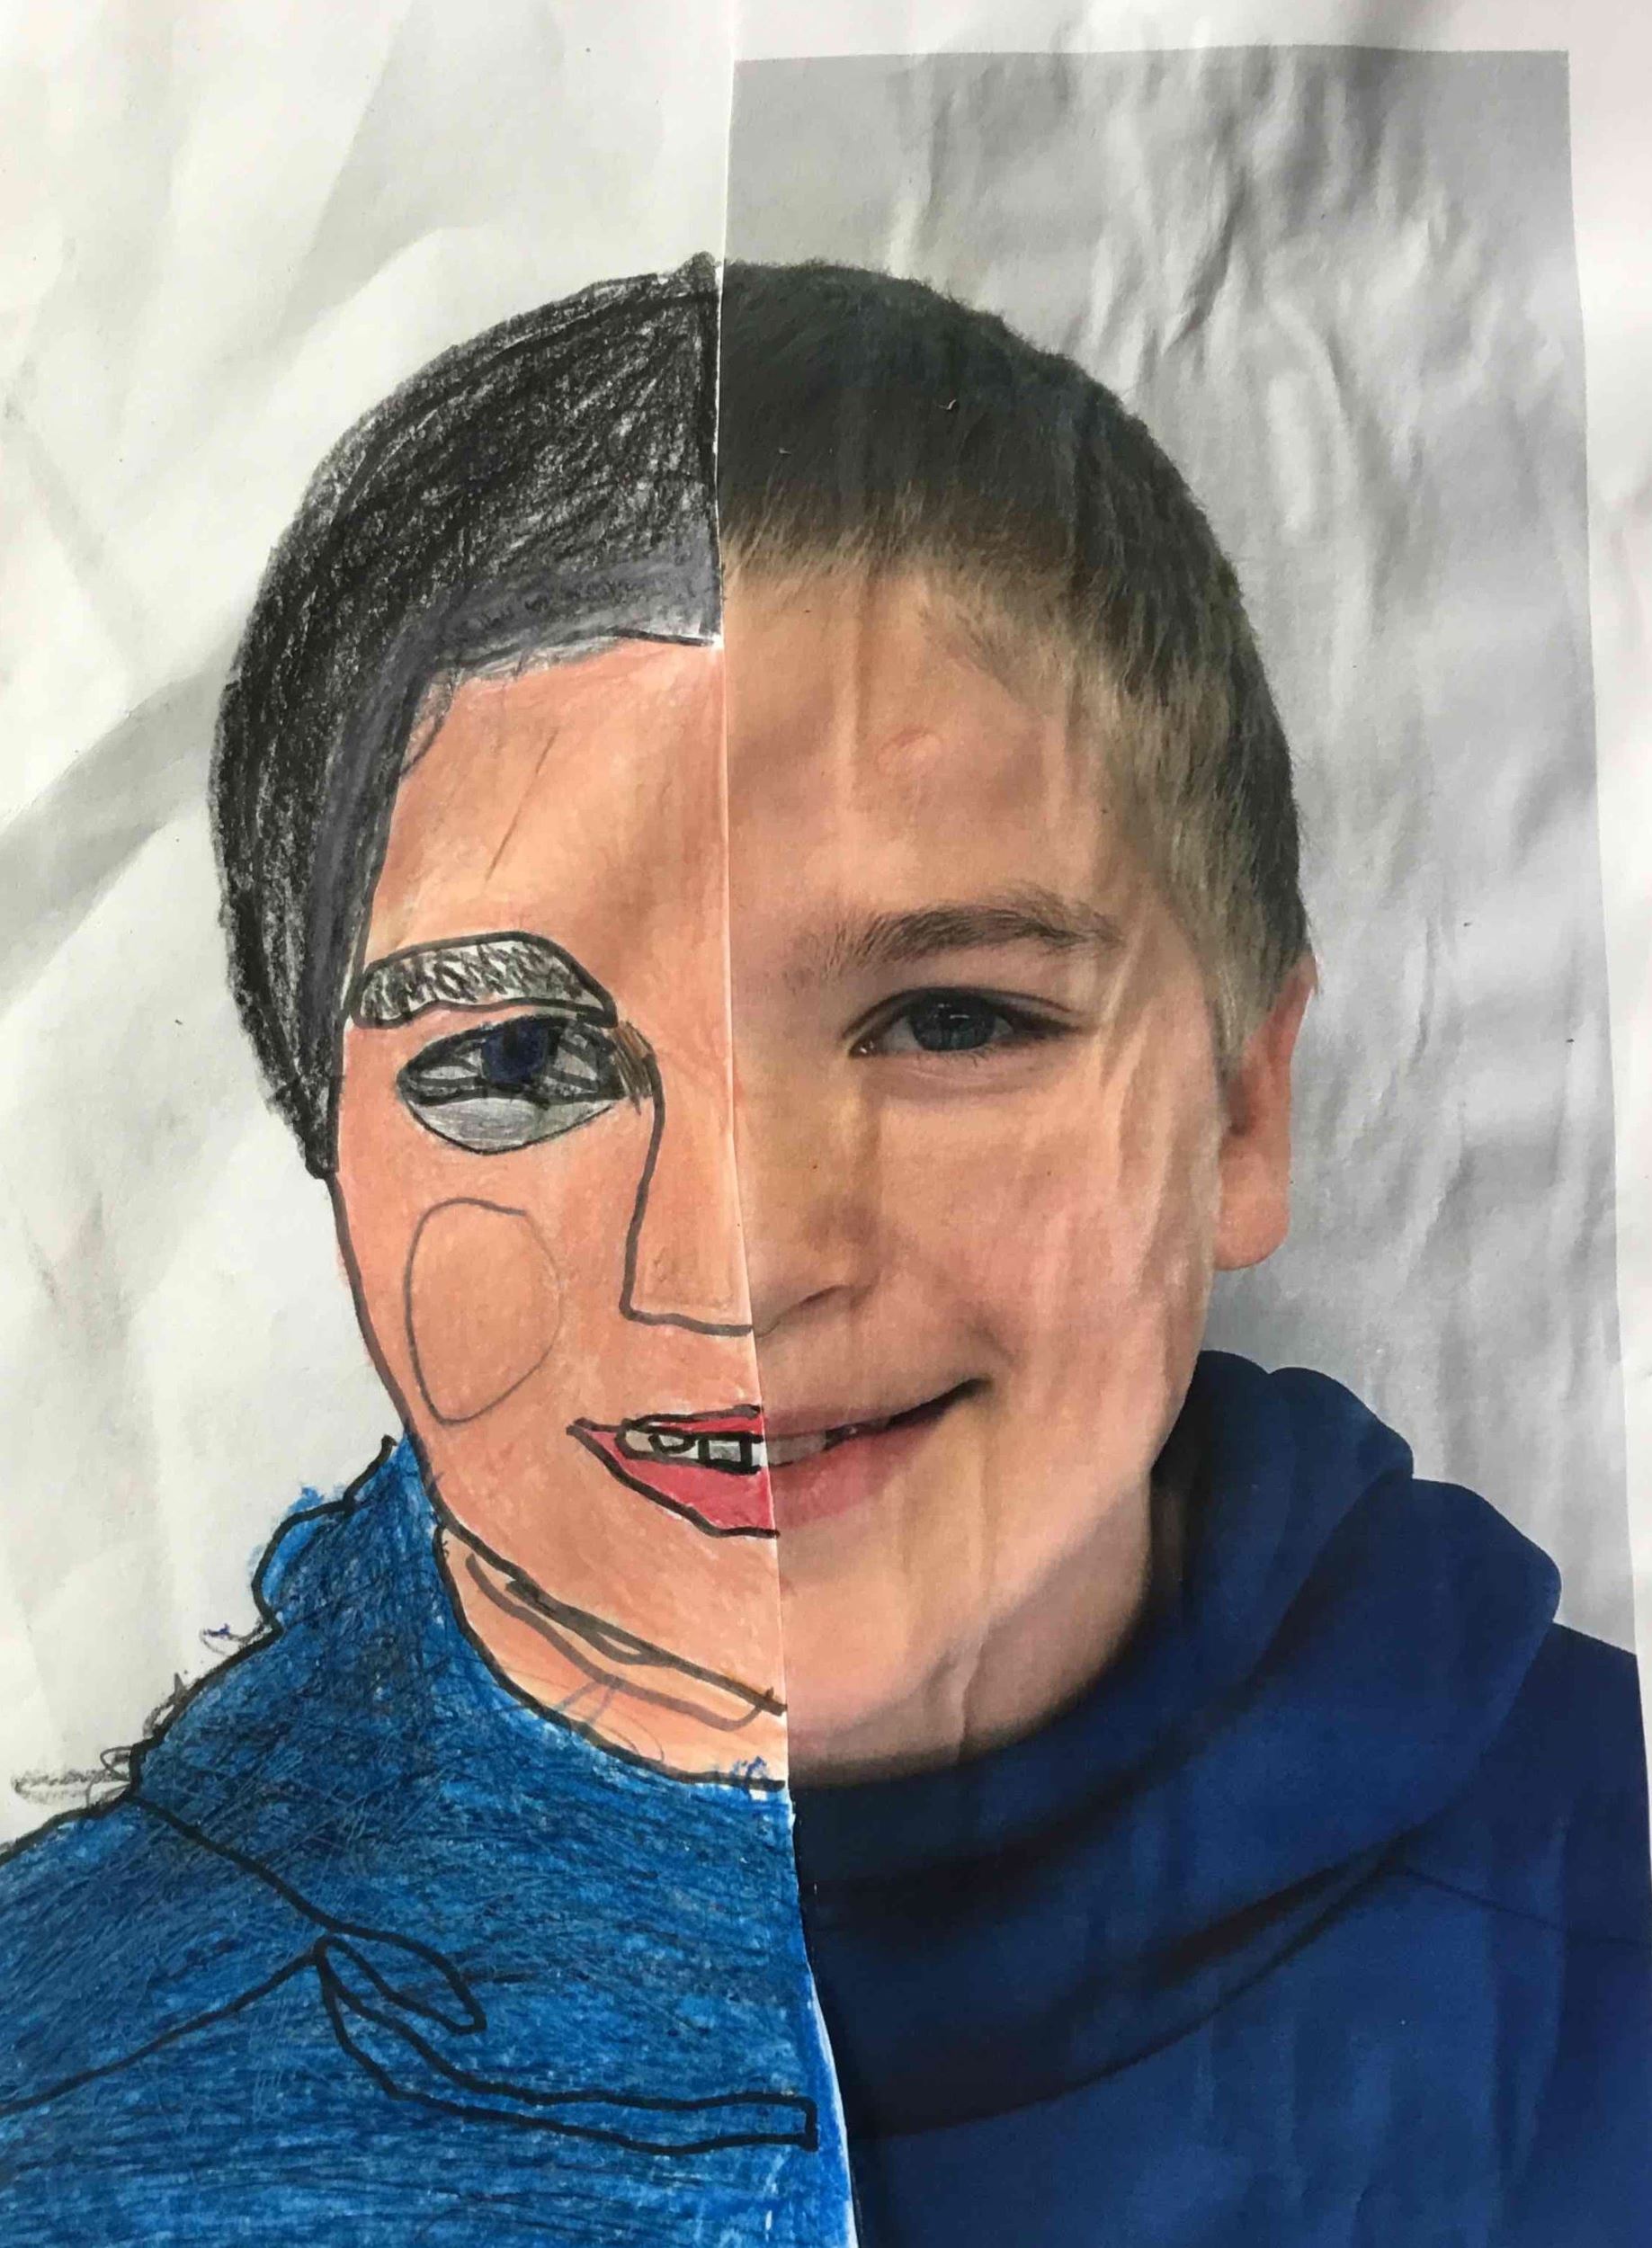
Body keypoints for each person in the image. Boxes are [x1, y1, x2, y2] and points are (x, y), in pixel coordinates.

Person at [0, 250, 1648, 2245]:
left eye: (948, 1020)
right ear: (321, 1147)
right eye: (515, 1063)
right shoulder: (58, 2089)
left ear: (1240, 1107)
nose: (736, 1271)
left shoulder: (1598, 1898)